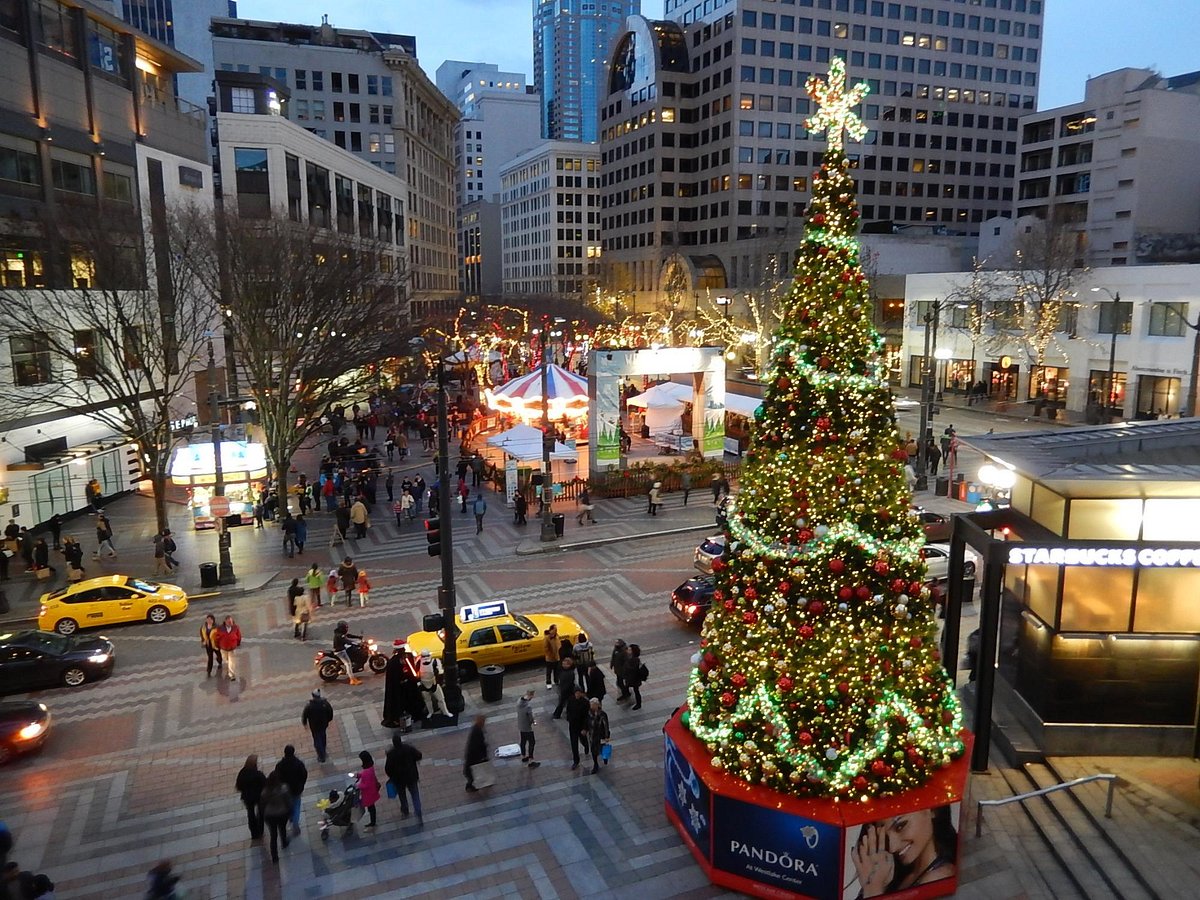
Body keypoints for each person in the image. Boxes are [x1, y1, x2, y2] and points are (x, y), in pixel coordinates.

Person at [850, 806, 958, 897]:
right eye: (885, 836)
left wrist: (873, 889)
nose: (893, 847)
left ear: (931, 810)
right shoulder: (897, 873)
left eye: (900, 826)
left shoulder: (938, 879)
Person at [384, 733, 423, 822]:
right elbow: (419, 755)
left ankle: (405, 811)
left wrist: (392, 776)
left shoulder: (391, 754)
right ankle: (418, 810)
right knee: (415, 794)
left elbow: (387, 769)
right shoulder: (408, 748)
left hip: (399, 780)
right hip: (411, 777)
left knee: (402, 795)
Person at [274, 745, 307, 836]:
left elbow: (277, 777)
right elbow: (304, 775)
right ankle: (295, 823)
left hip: (285, 791)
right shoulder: (298, 763)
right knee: (296, 805)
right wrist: (301, 784)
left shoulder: (280, 765)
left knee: (288, 805)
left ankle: (291, 818)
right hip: (297, 789)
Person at [260, 770, 292, 862]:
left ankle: (274, 856)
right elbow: (288, 802)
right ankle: (284, 842)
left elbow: (262, 805)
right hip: (282, 813)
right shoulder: (283, 788)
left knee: (273, 835)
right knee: (282, 829)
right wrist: (290, 812)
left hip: (270, 815)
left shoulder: (265, 791)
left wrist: (263, 814)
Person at [234, 755, 265, 840]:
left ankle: (254, 833)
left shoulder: (242, 773)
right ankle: (260, 830)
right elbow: (265, 784)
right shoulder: (258, 774)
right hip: (258, 796)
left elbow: (238, 785)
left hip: (247, 797)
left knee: (250, 813)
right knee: (261, 812)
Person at [302, 690, 334, 762]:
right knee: (323, 736)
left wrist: (305, 723)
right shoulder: (325, 703)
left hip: (314, 726)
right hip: (323, 724)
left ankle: (321, 755)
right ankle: (323, 750)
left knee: (317, 739)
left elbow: (305, 715)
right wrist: (328, 720)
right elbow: (330, 712)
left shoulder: (310, 705)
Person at [565, 686, 591, 770]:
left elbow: (586, 717)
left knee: (583, 739)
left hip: (581, 725)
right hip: (572, 725)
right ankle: (576, 761)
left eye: (579, 693)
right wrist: (569, 718)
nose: (577, 695)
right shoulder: (570, 700)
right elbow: (568, 710)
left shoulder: (585, 702)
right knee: (574, 743)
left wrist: (585, 728)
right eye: (576, 693)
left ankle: (586, 745)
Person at [417, 648, 446, 717]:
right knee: (427, 700)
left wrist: (439, 681)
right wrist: (418, 682)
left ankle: (445, 711)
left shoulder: (435, 661)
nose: (425, 658)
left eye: (426, 656)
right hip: (423, 683)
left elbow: (440, 671)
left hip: (433, 682)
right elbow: (417, 673)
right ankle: (430, 712)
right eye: (424, 656)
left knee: (441, 698)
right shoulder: (418, 662)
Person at [463, 715, 489, 792]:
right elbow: (478, 744)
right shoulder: (477, 730)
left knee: (473, 770)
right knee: (472, 771)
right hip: (474, 756)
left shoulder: (476, 729)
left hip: (474, 755)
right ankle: (470, 785)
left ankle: (472, 784)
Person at [333, 620, 364, 686]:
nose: (346, 629)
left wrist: (358, 637)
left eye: (347, 627)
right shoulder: (340, 635)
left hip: (342, 649)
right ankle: (352, 680)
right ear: (342, 628)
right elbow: (347, 641)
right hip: (340, 651)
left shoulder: (340, 633)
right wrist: (357, 644)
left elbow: (349, 635)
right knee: (348, 664)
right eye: (345, 628)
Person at [516, 688, 540, 769]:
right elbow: (530, 718)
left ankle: (523, 756)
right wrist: (534, 722)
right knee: (532, 742)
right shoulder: (528, 706)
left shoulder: (519, 701)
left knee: (523, 741)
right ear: (531, 695)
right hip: (527, 727)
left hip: (521, 725)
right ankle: (531, 760)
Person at [355, 751, 380, 827]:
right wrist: (358, 775)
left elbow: (365, 784)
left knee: (371, 808)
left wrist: (358, 785)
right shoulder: (370, 767)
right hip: (372, 791)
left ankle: (373, 823)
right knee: (372, 807)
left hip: (368, 793)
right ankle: (373, 822)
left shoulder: (366, 771)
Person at [585, 698, 610, 775]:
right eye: (591, 705)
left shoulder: (602, 714)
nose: (592, 707)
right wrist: (585, 729)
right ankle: (595, 764)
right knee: (593, 750)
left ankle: (605, 757)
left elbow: (606, 725)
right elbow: (587, 722)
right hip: (592, 735)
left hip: (601, 735)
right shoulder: (589, 713)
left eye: (594, 705)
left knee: (603, 747)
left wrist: (606, 736)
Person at [215, 615, 242, 681]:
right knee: (225, 658)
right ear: (225, 622)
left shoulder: (236, 627)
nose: (230, 623)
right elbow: (217, 638)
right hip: (223, 648)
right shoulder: (220, 628)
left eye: (231, 622)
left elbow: (239, 636)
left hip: (232, 647)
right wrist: (217, 645)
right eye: (229, 622)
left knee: (232, 661)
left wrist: (238, 643)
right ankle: (228, 663)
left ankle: (232, 674)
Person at [625, 643, 646, 709]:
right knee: (631, 689)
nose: (627, 651)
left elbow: (633, 670)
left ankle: (638, 704)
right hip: (630, 678)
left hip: (634, 679)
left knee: (636, 691)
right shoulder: (629, 658)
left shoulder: (635, 660)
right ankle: (631, 700)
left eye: (629, 650)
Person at [543, 624, 559, 690]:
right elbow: (546, 648)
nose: (556, 630)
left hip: (557, 657)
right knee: (549, 671)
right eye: (554, 629)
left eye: (556, 629)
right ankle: (548, 683)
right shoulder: (547, 638)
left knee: (556, 670)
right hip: (550, 658)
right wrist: (551, 655)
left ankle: (556, 680)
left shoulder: (557, 636)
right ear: (551, 630)